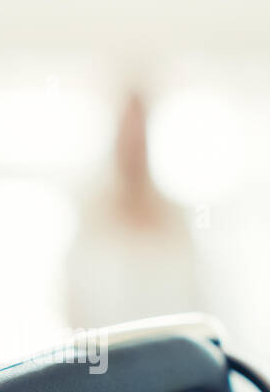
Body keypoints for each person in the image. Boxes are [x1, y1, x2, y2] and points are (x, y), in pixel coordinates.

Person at [63, 90, 203, 329]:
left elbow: (200, 298)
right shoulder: (90, 217)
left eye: (139, 137)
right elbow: (73, 307)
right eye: (127, 135)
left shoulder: (177, 218)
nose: (133, 147)